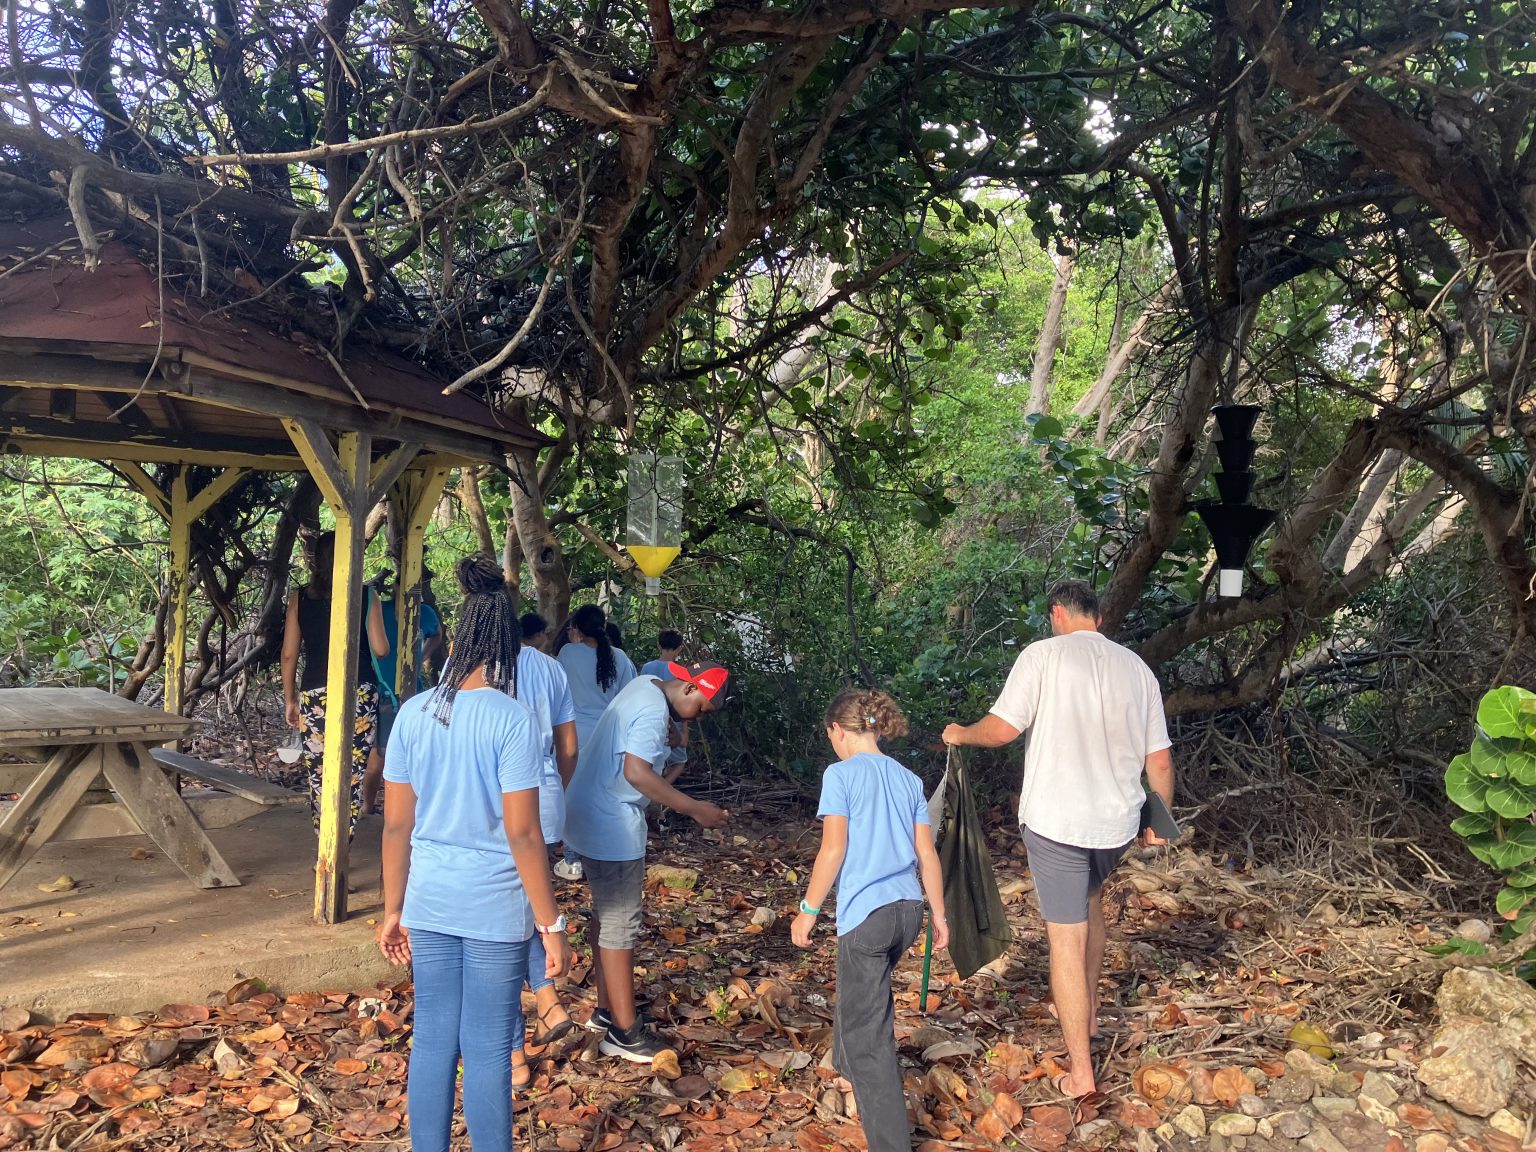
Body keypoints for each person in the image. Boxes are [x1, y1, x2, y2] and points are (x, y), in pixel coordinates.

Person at [942, 581, 1174, 1098]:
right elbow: (1158, 760)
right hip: (1116, 825)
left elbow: (1002, 730)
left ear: (1057, 614)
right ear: (1098, 617)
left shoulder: (1042, 655)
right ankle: (1086, 1014)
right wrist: (1159, 819)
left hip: (1058, 823)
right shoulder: (1137, 669)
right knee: (1090, 903)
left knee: (1065, 939)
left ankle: (1082, 1073)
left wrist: (960, 732)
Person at [377, 555, 572, 1152]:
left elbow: (396, 827)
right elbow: (523, 834)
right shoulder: (513, 720)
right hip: (494, 905)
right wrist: (551, 924)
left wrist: (393, 909)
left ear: (458, 639)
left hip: (429, 899)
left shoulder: (414, 713)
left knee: (433, 1039)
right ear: (508, 646)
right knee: (487, 1047)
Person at [792, 689, 949, 1152]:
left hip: (868, 914)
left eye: (831, 737)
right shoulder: (908, 779)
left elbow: (833, 849)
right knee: (861, 991)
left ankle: (890, 1143)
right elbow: (927, 854)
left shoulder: (840, 774)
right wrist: (939, 914)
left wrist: (807, 911)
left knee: (870, 1036)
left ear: (838, 731)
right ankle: (845, 1067)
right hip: (908, 910)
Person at [561, 660, 731, 1062]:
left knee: (606, 916)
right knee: (621, 923)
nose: (699, 718)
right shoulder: (655, 708)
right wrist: (694, 808)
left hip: (588, 809)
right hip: (610, 820)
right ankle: (624, 1032)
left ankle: (607, 1011)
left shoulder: (646, 685)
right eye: (702, 709)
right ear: (689, 688)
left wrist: (672, 738)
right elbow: (636, 772)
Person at [280, 530, 388, 837]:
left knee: (320, 771)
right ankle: (343, 841)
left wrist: (290, 699)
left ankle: (324, 841)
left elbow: (288, 654)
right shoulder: (367, 596)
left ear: (316, 561)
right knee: (351, 771)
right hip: (359, 692)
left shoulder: (300, 598)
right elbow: (380, 649)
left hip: (315, 693)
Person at [512, 612, 580, 1053]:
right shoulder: (550, 668)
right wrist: (558, 788)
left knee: (504, 920)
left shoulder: (469, 665)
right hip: (545, 791)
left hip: (498, 800)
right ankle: (546, 1002)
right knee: (521, 905)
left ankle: (541, 1010)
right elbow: (568, 748)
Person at [554, 604, 636, 881]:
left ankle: (572, 859)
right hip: (608, 735)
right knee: (604, 796)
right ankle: (604, 855)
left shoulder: (568, 652)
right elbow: (629, 697)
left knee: (572, 796)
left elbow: (558, 689)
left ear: (576, 628)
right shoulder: (619, 656)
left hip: (573, 734)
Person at [360, 568, 444, 815]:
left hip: (412, 693)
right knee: (379, 756)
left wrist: (421, 658)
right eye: (405, 588)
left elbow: (437, 635)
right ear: (395, 588)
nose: (410, 594)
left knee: (413, 754)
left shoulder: (425, 613)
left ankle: (407, 810)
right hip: (379, 689)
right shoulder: (380, 609)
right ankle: (368, 805)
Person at [639, 631, 689, 777]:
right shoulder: (682, 672)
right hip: (674, 724)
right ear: (680, 648)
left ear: (658, 645)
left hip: (650, 720)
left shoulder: (647, 667)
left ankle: (654, 787)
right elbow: (684, 703)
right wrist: (685, 732)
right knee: (679, 762)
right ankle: (663, 787)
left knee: (651, 761)